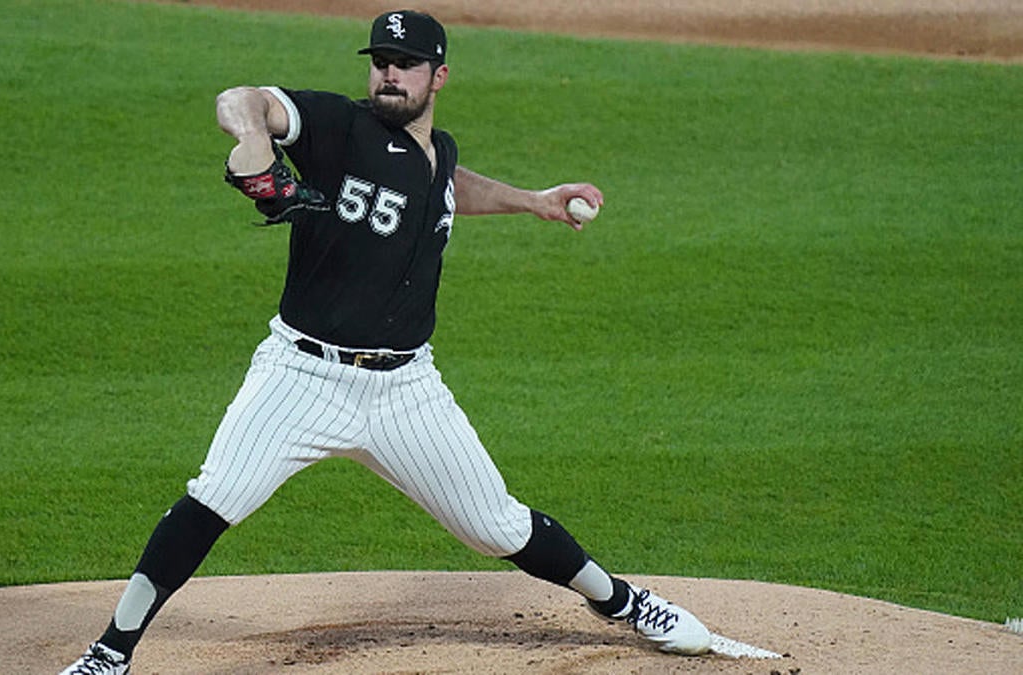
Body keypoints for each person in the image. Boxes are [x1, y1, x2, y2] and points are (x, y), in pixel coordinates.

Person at [60, 10, 711, 674]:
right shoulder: (338, 130)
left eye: (404, 63)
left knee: (499, 525)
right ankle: (110, 653)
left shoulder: (438, 151)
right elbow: (242, 100)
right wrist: (254, 134)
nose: (388, 74)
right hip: (301, 376)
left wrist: (533, 200)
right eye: (379, 61)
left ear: (440, 76)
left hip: (406, 390)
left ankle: (625, 602)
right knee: (213, 496)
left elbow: (442, 187)